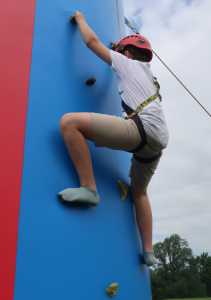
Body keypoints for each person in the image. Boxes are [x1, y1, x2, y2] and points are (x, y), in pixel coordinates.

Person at [58, 12, 169, 267]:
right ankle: (149, 252)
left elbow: (91, 43)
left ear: (126, 54)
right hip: (158, 142)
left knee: (69, 123)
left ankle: (89, 188)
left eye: (121, 52)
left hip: (140, 129)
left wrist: (82, 20)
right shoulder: (150, 78)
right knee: (139, 193)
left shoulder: (127, 63)